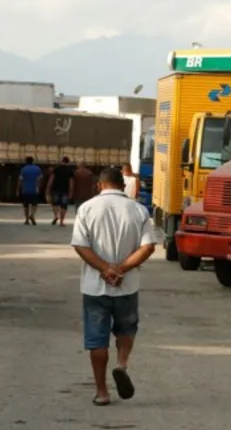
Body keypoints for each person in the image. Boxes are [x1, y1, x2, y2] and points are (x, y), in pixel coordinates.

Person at [71, 168, 159, 406]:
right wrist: (120, 269)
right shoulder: (138, 210)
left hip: (95, 287)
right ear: (123, 185)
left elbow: (80, 245)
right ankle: (121, 364)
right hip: (127, 286)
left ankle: (102, 392)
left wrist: (105, 269)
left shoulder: (87, 209)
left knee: (97, 341)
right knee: (126, 329)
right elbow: (149, 246)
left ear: (100, 185)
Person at [47, 157, 75, 226]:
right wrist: (71, 192)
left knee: (55, 204)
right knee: (64, 206)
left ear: (61, 161)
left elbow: (51, 180)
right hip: (65, 190)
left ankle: (56, 216)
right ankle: (61, 222)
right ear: (68, 162)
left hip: (56, 189)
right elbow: (71, 182)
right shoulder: (70, 170)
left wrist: (48, 189)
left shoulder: (56, 169)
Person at [16, 156, 44, 225]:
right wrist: (38, 187)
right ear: (33, 161)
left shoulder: (23, 169)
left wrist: (17, 189)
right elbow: (40, 179)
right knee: (34, 204)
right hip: (34, 189)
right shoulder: (37, 169)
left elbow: (20, 180)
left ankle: (26, 220)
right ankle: (32, 214)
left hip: (25, 189)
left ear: (26, 161)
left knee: (26, 205)